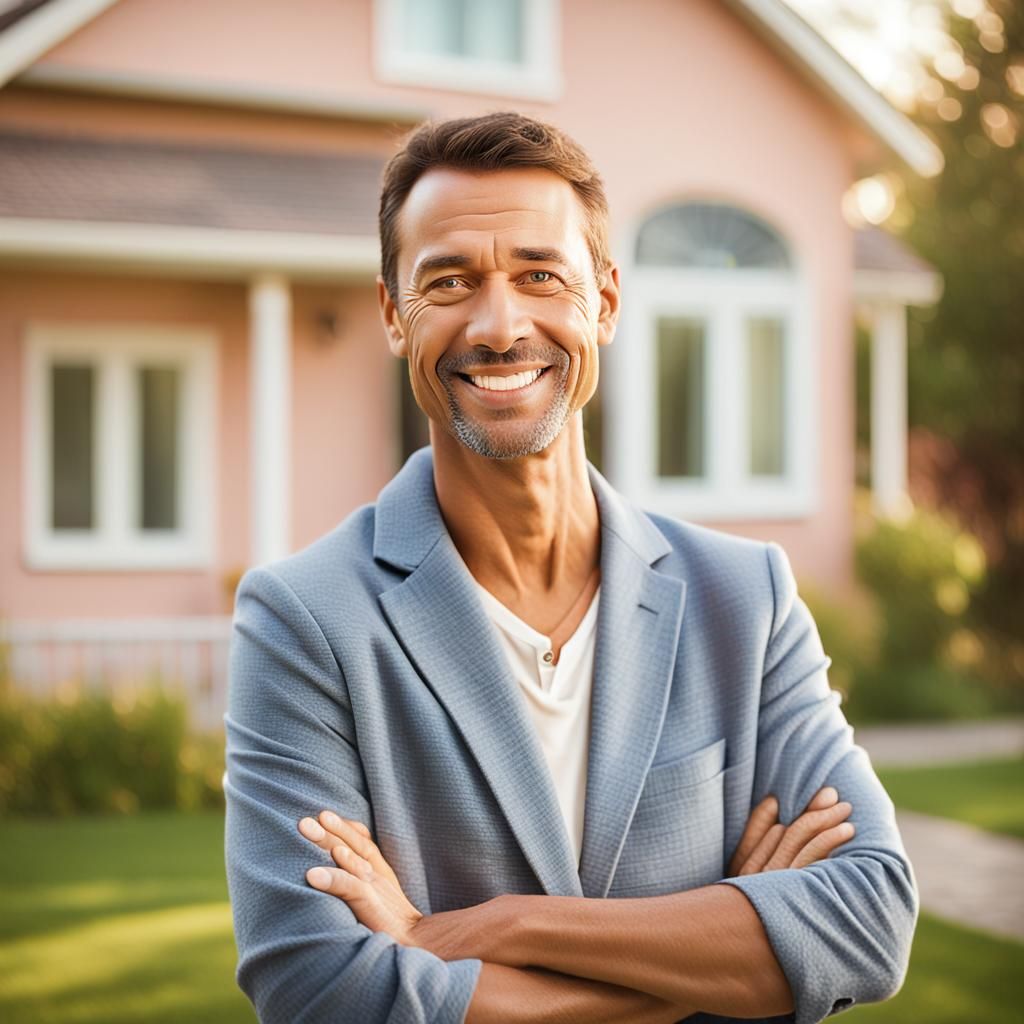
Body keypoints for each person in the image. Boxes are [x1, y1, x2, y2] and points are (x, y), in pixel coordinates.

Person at [224, 112, 917, 1024]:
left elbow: (868, 923)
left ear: (608, 301)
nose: (501, 325)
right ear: (395, 315)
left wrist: (490, 931)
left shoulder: (744, 599)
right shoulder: (304, 619)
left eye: (541, 275)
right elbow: (319, 988)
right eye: (450, 281)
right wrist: (708, 960)